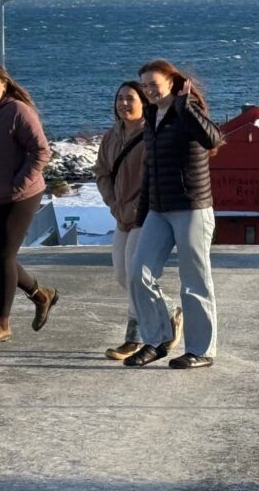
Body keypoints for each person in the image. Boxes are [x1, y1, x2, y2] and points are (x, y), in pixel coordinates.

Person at [126, 59, 223, 369]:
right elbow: (150, 169)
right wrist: (141, 216)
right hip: (159, 209)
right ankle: (156, 341)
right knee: (138, 273)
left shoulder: (187, 110)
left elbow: (213, 139)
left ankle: (201, 350)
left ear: (171, 81)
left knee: (194, 280)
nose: (149, 91)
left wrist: (185, 106)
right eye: (144, 86)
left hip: (191, 207)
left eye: (154, 84)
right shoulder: (151, 115)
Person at [0, 64, 58, 344]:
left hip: (22, 195)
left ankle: (2, 323)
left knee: (4, 255)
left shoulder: (18, 111)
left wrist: (19, 183)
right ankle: (41, 295)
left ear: (4, 85)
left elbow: (41, 150)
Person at [95, 81, 183, 359]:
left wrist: (136, 206)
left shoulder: (151, 134)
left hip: (145, 215)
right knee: (122, 276)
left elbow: (157, 176)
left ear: (144, 103)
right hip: (121, 214)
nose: (123, 103)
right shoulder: (112, 135)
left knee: (135, 276)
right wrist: (112, 202)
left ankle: (134, 338)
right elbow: (102, 173)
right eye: (119, 98)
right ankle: (170, 309)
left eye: (130, 98)